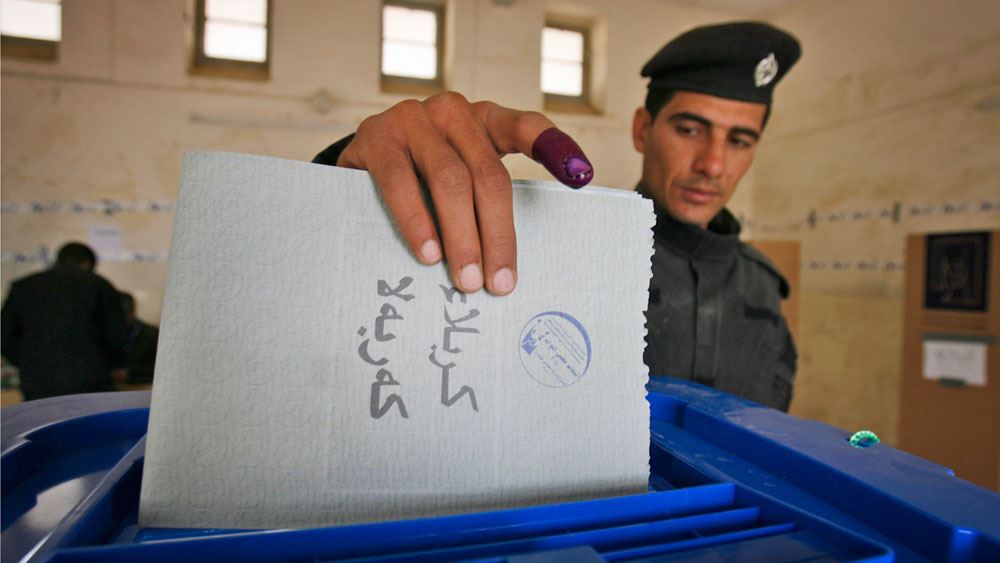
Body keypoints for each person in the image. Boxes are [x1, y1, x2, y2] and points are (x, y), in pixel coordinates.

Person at [313, 21, 799, 410]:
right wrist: (348, 177)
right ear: (642, 129)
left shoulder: (764, 286)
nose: (712, 164)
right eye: (690, 130)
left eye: (739, 140)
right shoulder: (556, 248)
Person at [1, 242, 128, 400]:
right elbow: (115, 335)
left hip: (37, 382)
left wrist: (29, 361)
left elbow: (5, 337)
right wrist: (110, 363)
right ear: (87, 264)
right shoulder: (99, 284)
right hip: (90, 381)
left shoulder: (22, 287)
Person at [118, 291, 159, 384]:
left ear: (131, 313)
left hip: (141, 387)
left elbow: (156, 367)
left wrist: (130, 373)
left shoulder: (152, 334)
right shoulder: (105, 333)